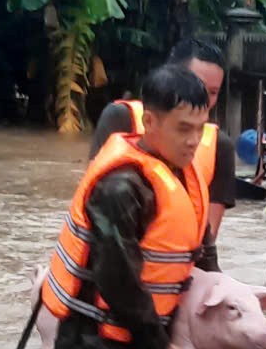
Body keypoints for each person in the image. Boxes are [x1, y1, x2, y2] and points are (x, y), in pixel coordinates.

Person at [42, 65, 210, 349]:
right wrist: (160, 348)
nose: (194, 141)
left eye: (200, 129)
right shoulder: (121, 188)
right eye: (183, 129)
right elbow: (119, 281)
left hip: (136, 343)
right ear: (150, 122)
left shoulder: (181, 175)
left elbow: (202, 254)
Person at [89, 39, 237, 268]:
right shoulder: (120, 118)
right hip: (117, 263)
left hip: (174, 269)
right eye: (195, 84)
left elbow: (205, 240)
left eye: (213, 92)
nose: (203, 99)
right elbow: (98, 207)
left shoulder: (221, 146)